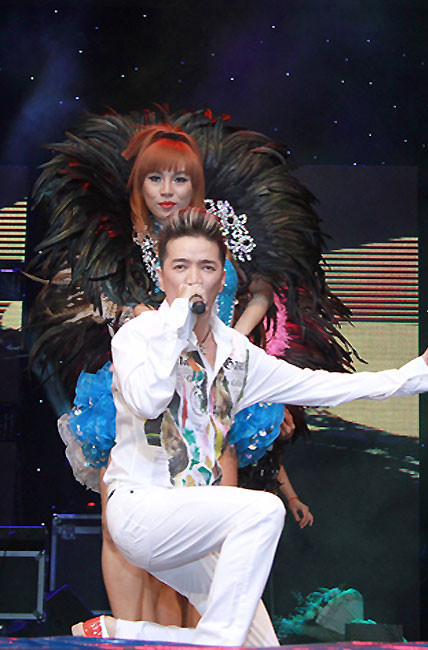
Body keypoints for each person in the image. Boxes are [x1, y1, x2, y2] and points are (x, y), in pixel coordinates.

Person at [71, 208, 428, 645]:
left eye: (206, 267)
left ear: (222, 277)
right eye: (180, 267)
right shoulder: (138, 336)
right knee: (263, 510)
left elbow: (321, 387)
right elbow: (148, 400)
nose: (194, 280)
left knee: (262, 644)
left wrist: (411, 377)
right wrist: (175, 325)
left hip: (191, 522)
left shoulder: (238, 355)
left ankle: (134, 632)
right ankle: (205, 637)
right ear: (163, 275)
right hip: (140, 509)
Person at [29, 117, 315, 624]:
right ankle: (135, 631)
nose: (167, 190)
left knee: (213, 524)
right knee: (127, 531)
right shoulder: (123, 238)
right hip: (149, 383)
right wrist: (138, 316)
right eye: (154, 178)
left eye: (179, 179)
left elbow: (263, 286)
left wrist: (235, 339)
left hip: (210, 389)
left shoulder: (222, 230)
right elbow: (100, 299)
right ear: (138, 185)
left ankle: (196, 632)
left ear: (195, 183)